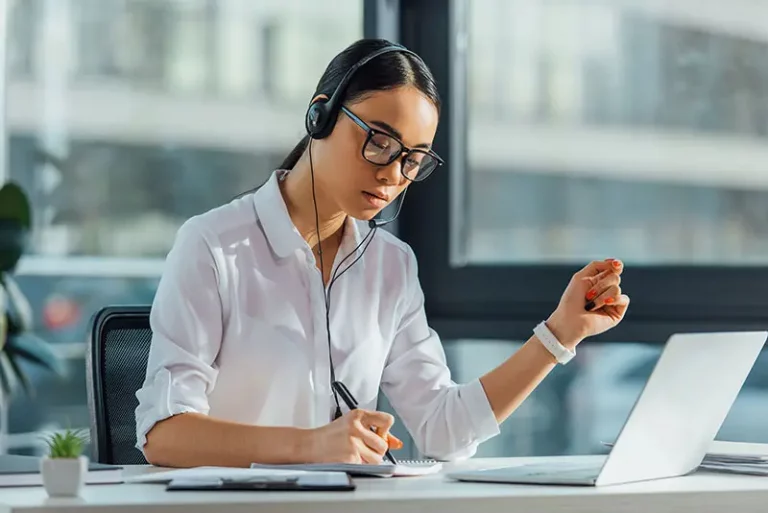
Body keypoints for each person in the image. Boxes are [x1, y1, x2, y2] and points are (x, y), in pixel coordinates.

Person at [135, 38, 629, 469]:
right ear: (320, 115)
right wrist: (312, 446)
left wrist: (560, 334)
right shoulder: (214, 245)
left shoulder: (389, 265)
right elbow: (165, 435)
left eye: (413, 159)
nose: (393, 174)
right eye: (379, 141)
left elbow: (444, 428)